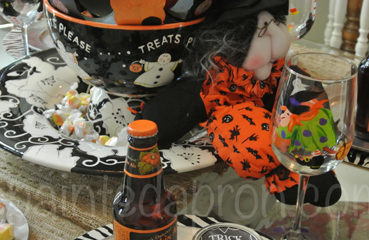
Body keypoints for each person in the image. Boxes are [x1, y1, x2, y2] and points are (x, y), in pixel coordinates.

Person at [139, 0, 341, 207]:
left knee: (306, 96)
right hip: (237, 117)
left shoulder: (277, 70)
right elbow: (168, 113)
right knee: (245, 129)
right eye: (264, 32)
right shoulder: (213, 82)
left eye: (277, 23)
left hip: (287, 123)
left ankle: (313, 161)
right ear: (232, 43)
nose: (280, 38)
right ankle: (287, 178)